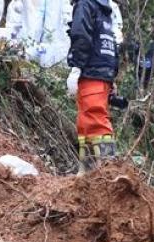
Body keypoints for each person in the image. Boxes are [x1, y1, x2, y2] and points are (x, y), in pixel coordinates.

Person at [66, 0, 119, 170]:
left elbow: (81, 35)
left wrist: (76, 67)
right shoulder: (104, 8)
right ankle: (88, 175)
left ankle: (110, 173)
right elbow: (111, 42)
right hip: (102, 72)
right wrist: (112, 75)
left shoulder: (85, 4)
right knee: (86, 123)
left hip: (91, 70)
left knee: (95, 121)